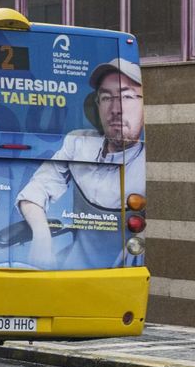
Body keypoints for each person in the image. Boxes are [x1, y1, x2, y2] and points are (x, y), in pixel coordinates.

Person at [16, 58, 146, 269]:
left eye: (127, 96)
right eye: (106, 97)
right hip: (70, 267)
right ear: (97, 106)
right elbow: (35, 190)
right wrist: (41, 236)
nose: (116, 109)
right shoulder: (79, 143)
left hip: (119, 275)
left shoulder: (148, 166)